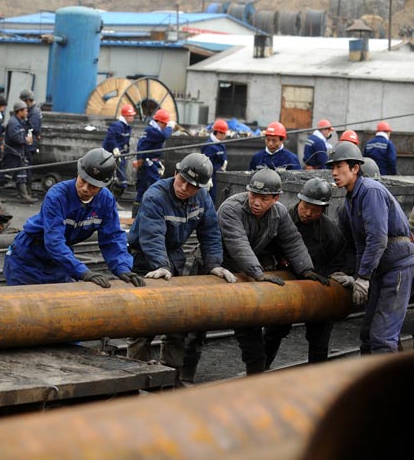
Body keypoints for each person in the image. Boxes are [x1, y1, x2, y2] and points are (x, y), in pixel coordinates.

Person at [126, 153, 236, 385]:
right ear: (175, 173)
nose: (184, 187)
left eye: (192, 185)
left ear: (201, 187)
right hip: (146, 259)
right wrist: (161, 266)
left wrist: (213, 264)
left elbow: (210, 233)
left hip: (174, 256)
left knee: (177, 321)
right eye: (181, 180)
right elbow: (152, 236)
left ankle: (170, 377)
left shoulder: (203, 198)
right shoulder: (155, 195)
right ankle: (136, 378)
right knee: (144, 322)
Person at [217, 168, 329, 375]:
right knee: (193, 332)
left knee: (249, 329)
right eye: (253, 195)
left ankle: (255, 377)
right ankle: (184, 377)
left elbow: (292, 241)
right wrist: (258, 273)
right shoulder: (231, 208)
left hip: (244, 275)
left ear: (276, 198)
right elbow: (238, 243)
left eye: (263, 198)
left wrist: (306, 270)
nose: (256, 202)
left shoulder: (279, 213)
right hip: (217, 270)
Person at [3, 147, 145, 288]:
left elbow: (112, 238)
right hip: (27, 257)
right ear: (78, 173)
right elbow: (54, 241)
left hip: (59, 261)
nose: (85, 188)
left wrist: (123, 268)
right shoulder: (57, 196)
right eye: (82, 180)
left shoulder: (106, 201)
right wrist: (83, 272)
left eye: (93, 186)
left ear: (104, 185)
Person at [327, 141, 414, 353]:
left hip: (397, 268)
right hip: (380, 269)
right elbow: (358, 244)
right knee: (367, 336)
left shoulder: (370, 191)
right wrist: (354, 275)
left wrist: (363, 277)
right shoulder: (350, 199)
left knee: (382, 339)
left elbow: (377, 239)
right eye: (333, 167)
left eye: (339, 167)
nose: (334, 172)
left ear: (355, 168)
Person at [263, 177, 349, 367]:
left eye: (316, 210)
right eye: (305, 206)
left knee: (319, 339)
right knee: (273, 333)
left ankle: (315, 381)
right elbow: (265, 247)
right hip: (285, 286)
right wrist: (270, 264)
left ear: (324, 209)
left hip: (316, 287)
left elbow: (339, 261)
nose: (308, 213)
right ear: (299, 200)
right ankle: (258, 374)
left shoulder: (330, 232)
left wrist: (329, 278)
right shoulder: (280, 219)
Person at [132, 108, 176, 217]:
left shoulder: (150, 130)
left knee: (142, 189)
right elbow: (164, 136)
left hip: (148, 162)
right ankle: (155, 213)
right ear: (159, 122)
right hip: (148, 163)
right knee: (157, 187)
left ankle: (136, 215)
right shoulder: (152, 131)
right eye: (164, 124)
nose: (165, 127)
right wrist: (170, 127)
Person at [0, 100, 36, 203]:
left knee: (21, 175)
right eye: (25, 111)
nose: (27, 112)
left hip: (18, 154)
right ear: (19, 111)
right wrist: (26, 140)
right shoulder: (13, 122)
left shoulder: (19, 122)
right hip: (12, 154)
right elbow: (14, 137)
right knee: (5, 176)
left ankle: (24, 196)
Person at [102, 104, 136, 206]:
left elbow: (125, 142)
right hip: (111, 157)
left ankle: (113, 202)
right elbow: (110, 138)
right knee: (112, 180)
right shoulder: (117, 125)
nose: (133, 117)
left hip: (120, 158)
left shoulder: (127, 127)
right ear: (125, 116)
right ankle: (109, 203)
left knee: (122, 182)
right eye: (131, 115)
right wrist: (114, 148)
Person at [201, 118, 229, 203]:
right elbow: (205, 163)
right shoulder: (209, 146)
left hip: (218, 174)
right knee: (211, 198)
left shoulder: (220, 143)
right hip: (211, 176)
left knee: (218, 196)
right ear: (218, 133)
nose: (225, 136)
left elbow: (223, 155)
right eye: (224, 133)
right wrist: (207, 177)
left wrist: (224, 162)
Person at [20, 89, 42, 192]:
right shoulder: (35, 110)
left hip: (30, 143)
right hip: (31, 141)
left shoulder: (33, 112)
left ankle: (27, 189)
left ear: (28, 101)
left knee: (27, 165)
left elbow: (32, 128)